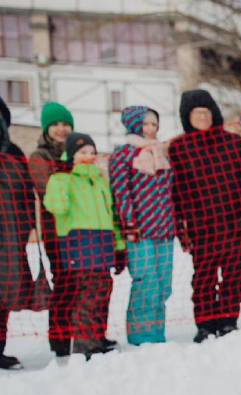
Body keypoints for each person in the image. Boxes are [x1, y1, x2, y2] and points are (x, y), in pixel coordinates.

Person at [169, 89, 241, 341]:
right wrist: (182, 229)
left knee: (234, 275)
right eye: (196, 113)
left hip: (235, 223)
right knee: (204, 279)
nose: (202, 117)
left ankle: (228, 320)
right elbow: (175, 192)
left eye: (206, 112)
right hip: (202, 226)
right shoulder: (179, 148)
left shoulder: (233, 143)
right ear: (188, 117)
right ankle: (206, 324)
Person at [42, 133, 125, 357]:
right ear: (71, 155)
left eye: (91, 152)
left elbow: (111, 215)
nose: (88, 156)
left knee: (103, 290)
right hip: (79, 241)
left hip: (103, 241)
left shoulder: (99, 180)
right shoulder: (62, 179)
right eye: (82, 152)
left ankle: (98, 336)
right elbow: (55, 207)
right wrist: (60, 181)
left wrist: (118, 246)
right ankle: (85, 344)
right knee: (87, 295)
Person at [109, 106, 174, 344]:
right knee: (146, 282)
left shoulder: (163, 153)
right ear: (135, 125)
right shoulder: (124, 154)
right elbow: (120, 192)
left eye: (154, 125)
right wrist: (129, 223)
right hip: (140, 231)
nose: (150, 129)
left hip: (165, 229)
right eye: (146, 124)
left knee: (164, 284)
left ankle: (157, 333)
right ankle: (141, 335)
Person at [28, 101, 74, 356]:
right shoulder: (40, 157)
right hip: (56, 231)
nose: (61, 129)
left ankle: (82, 336)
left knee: (81, 284)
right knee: (64, 284)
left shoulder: (77, 151)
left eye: (65, 124)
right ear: (47, 128)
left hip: (80, 230)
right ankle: (59, 342)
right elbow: (47, 192)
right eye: (55, 124)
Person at [0, 96, 34, 369]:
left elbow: (24, 195)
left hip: (10, 236)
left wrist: (24, 228)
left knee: (4, 299)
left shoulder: (13, 152)